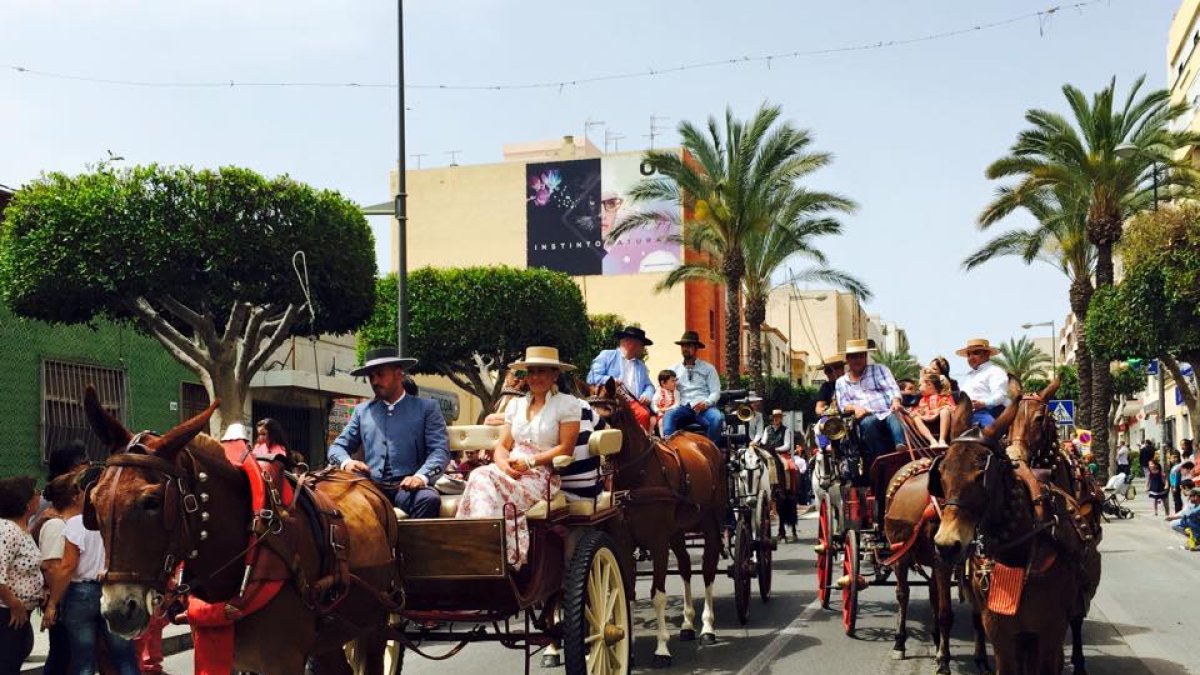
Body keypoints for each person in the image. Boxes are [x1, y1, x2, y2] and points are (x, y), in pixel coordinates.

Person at [457, 347, 581, 568]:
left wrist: (530, 462)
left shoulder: (566, 404)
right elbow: (502, 446)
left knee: (482, 478)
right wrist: (504, 465)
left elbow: (566, 448)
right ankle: (480, 548)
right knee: (478, 474)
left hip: (540, 474)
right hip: (510, 468)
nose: (535, 377)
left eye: (542, 371)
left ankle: (487, 551)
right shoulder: (515, 405)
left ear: (555, 374)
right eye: (531, 372)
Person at [328, 345, 452, 519]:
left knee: (428, 499)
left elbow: (440, 451)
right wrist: (347, 462)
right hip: (371, 487)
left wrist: (420, 477)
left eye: (380, 374)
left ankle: (416, 546)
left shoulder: (426, 408)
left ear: (398, 373)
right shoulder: (362, 411)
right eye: (371, 376)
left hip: (408, 487)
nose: (374, 381)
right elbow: (336, 448)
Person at [56, 469, 140, 675]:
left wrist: (53, 602)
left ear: (84, 491)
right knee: (124, 655)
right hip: (116, 589)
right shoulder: (123, 519)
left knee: (83, 659)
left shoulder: (77, 524)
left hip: (80, 594)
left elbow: (67, 566)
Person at [835, 338, 906, 464]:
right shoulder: (841, 382)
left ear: (866, 357)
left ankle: (900, 447)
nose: (858, 359)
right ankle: (881, 460)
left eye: (861, 356)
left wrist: (895, 401)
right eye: (854, 356)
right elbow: (843, 404)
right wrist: (855, 408)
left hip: (886, 411)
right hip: (865, 417)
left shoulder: (880, 369)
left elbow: (892, 388)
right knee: (869, 423)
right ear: (847, 359)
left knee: (894, 417)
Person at [0, 475, 42, 675]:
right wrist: (15, 604)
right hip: (7, 613)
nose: (40, 496)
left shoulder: (19, 529)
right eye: (36, 493)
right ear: (26, 503)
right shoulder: (7, 530)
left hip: (18, 613)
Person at [586, 326, 655, 432]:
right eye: (642, 345)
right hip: (609, 401)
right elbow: (592, 378)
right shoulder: (607, 355)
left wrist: (647, 395)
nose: (643, 349)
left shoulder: (641, 366)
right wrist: (611, 380)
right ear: (631, 343)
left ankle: (638, 446)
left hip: (633, 402)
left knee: (643, 414)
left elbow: (649, 386)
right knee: (641, 414)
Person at [661, 331, 724, 446]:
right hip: (683, 407)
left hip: (704, 408)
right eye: (683, 346)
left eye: (689, 345)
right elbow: (663, 388)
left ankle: (712, 451)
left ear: (696, 348)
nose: (685, 348)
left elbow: (715, 391)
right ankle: (669, 451)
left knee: (717, 418)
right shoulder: (673, 369)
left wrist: (706, 403)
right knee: (669, 416)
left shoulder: (708, 369)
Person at [956, 338, 1011, 427]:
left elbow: (1000, 395)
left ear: (987, 354)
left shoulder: (995, 371)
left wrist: (983, 403)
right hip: (966, 414)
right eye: (969, 354)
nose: (971, 357)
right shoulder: (969, 376)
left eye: (976, 353)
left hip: (990, 412)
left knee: (990, 432)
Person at [914, 372, 955, 448]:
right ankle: (932, 440)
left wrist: (940, 409)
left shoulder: (944, 397)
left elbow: (952, 407)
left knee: (945, 411)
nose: (919, 389)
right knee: (916, 419)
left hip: (940, 417)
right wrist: (921, 412)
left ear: (929, 384)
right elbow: (920, 410)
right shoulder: (923, 400)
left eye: (920, 385)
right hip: (927, 418)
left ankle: (942, 439)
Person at [651, 369, 679, 435]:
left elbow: (677, 405)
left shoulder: (676, 393)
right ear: (663, 383)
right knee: (654, 421)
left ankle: (666, 437)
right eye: (672, 381)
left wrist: (666, 410)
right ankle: (659, 438)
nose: (675, 383)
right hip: (660, 413)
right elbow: (653, 403)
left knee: (665, 421)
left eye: (675, 380)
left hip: (670, 413)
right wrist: (658, 411)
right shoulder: (659, 392)